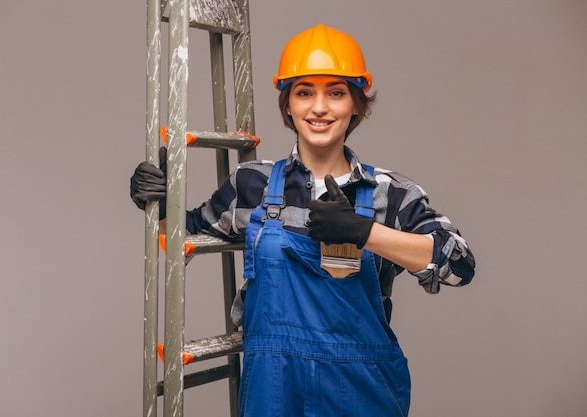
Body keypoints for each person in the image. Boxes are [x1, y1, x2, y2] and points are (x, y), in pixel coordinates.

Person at [130, 24, 475, 417]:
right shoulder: (252, 184)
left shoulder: (389, 193)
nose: (319, 107)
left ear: (357, 105)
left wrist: (365, 232)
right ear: (288, 105)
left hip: (361, 393)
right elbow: (181, 240)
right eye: (304, 92)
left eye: (336, 92)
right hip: (274, 391)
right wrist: (158, 203)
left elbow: (458, 265)